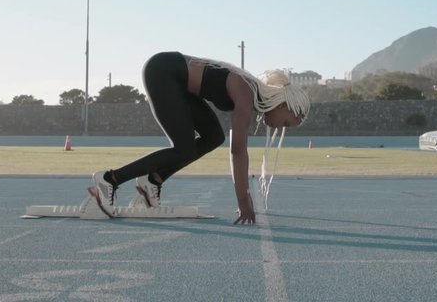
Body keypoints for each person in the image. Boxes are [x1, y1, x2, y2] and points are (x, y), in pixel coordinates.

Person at [88, 51, 311, 224]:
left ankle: (152, 180)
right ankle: (109, 180)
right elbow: (238, 151)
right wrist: (244, 201)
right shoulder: (247, 93)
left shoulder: (251, 95)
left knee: (213, 136)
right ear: (282, 105)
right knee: (184, 147)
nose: (283, 128)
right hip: (163, 71)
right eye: (286, 123)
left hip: (180, 84)